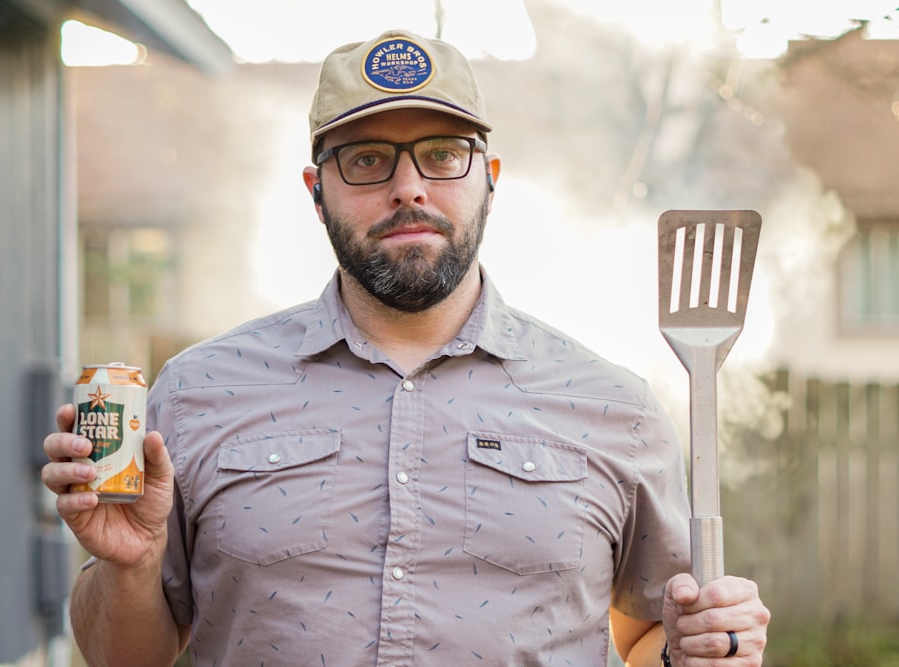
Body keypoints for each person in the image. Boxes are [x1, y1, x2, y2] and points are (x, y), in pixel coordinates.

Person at [43, 29, 770, 667]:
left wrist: (693, 649)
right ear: (316, 190)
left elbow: (647, 633)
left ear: (489, 179)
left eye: (444, 154)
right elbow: (122, 657)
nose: (408, 188)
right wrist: (131, 568)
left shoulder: (616, 408)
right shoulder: (196, 391)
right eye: (366, 160)